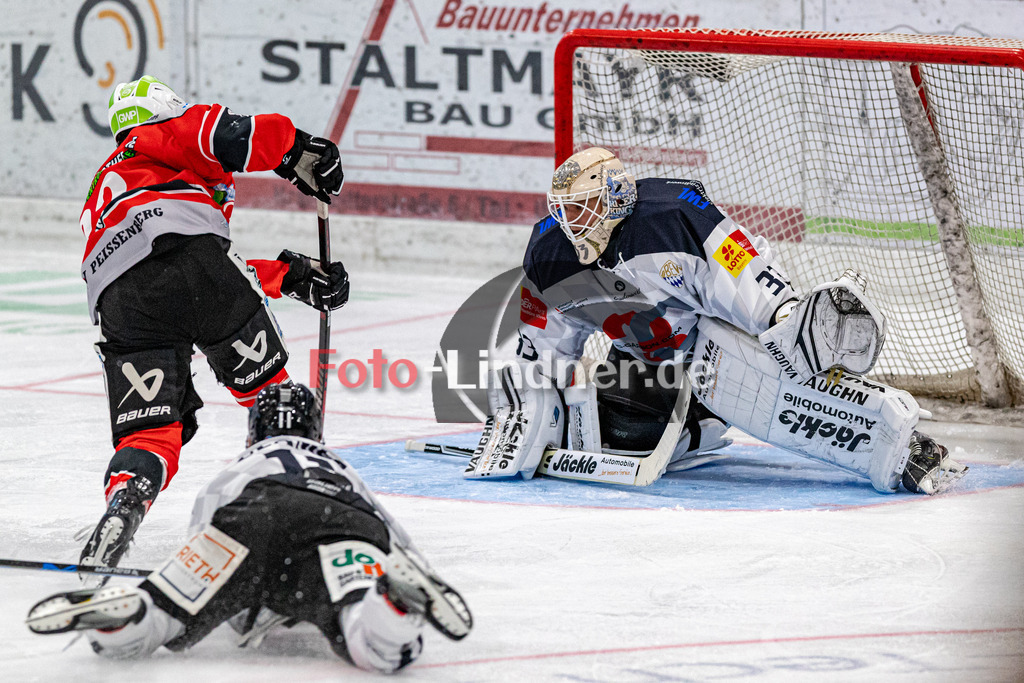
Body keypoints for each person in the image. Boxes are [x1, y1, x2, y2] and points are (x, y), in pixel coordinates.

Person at [467, 147, 966, 494]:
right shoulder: (551, 254)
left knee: (786, 396)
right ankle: (701, 421)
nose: (573, 224)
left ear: (616, 197)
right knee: (622, 436)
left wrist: (782, 314)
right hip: (648, 356)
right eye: (566, 212)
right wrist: (530, 399)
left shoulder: (673, 217)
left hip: (713, 335)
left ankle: (905, 452)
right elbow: (545, 343)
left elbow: (740, 266)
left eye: (585, 209)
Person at [78, 76, 351, 571]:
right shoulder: (161, 133)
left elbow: (171, 264)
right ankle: (302, 501)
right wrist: (295, 149)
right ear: (163, 107)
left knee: (150, 433)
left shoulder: (106, 184)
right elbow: (230, 136)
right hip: (197, 268)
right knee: (272, 395)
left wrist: (290, 276)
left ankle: (126, 502)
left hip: (120, 298)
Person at [27, 383, 472, 673]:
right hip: (341, 519)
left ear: (251, 434)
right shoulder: (339, 467)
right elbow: (388, 532)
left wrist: (196, 585)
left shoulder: (242, 465)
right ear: (315, 433)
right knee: (377, 645)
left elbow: (206, 531)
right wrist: (406, 569)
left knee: (165, 615)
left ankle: (136, 610)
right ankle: (390, 601)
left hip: (253, 514)